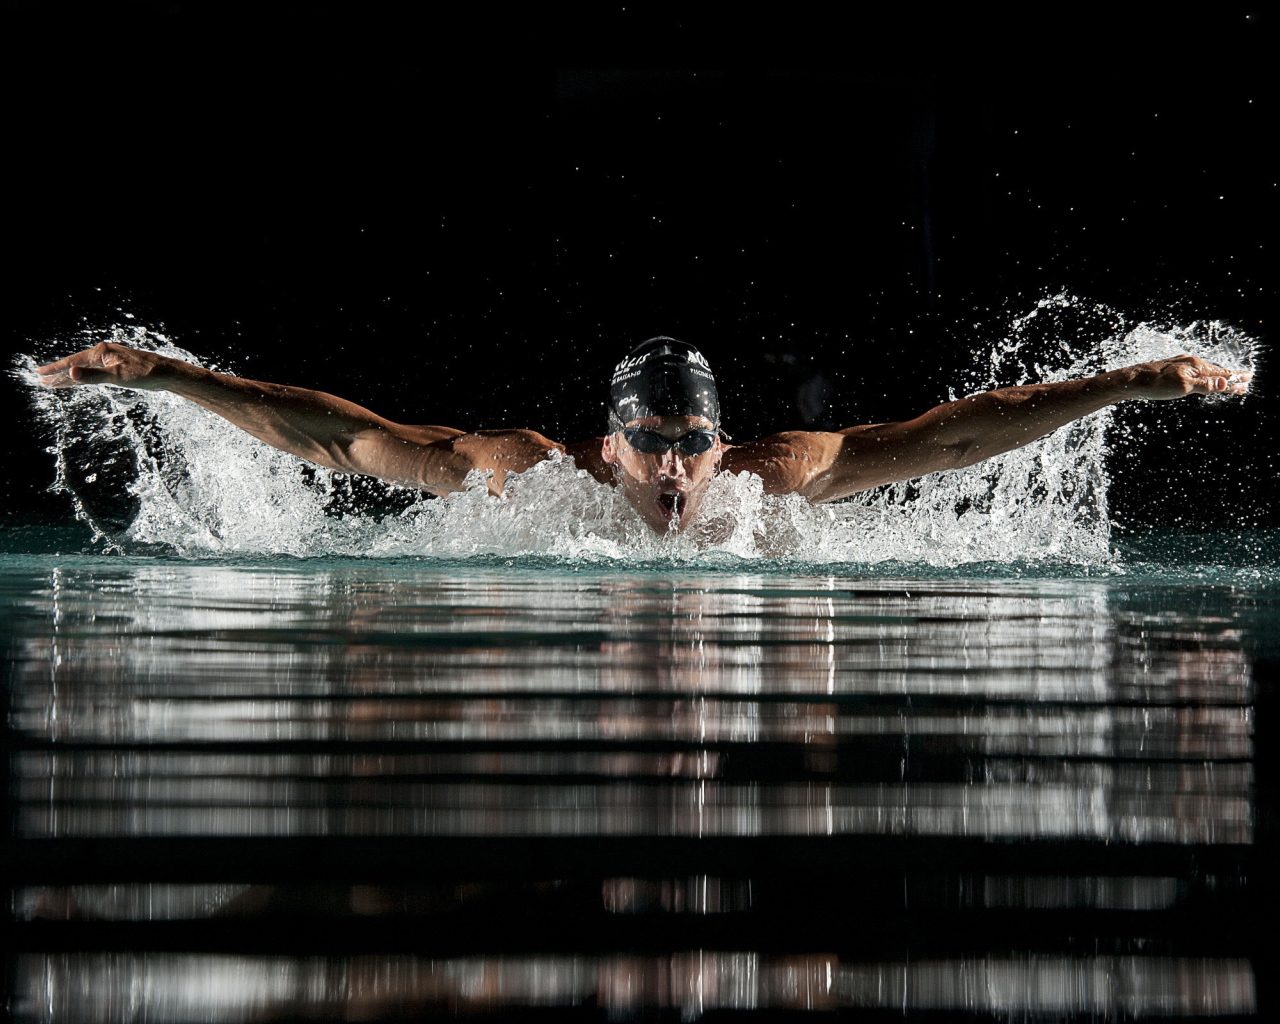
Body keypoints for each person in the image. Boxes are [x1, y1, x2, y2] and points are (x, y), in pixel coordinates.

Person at [36, 336, 1251, 534]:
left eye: (692, 443)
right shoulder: (529, 477)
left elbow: (951, 439)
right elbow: (341, 441)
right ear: (605, 445)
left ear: (723, 441)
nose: (673, 469)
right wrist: (166, 377)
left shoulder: (773, 480)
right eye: (651, 443)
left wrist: (1123, 385)